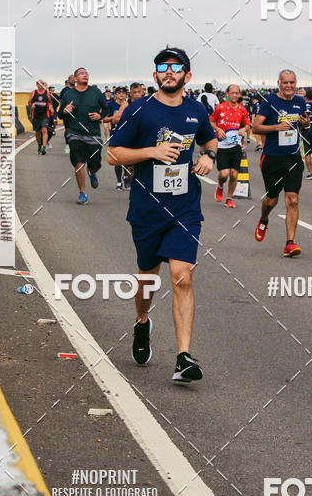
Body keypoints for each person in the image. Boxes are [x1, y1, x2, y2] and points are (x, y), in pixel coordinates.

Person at [107, 47, 217, 383]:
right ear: (155, 74)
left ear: (187, 75)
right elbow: (112, 154)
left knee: (183, 276)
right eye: (162, 67)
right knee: (148, 278)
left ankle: (183, 357)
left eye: (176, 67)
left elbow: (209, 142)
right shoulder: (139, 110)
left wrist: (209, 157)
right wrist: (151, 152)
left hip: (185, 208)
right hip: (147, 209)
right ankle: (142, 322)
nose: (169, 72)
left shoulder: (196, 110)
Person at [252, 70, 310, 256]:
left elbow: (304, 129)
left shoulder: (300, 101)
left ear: (296, 84)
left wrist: (306, 124)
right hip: (272, 158)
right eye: (285, 82)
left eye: (292, 82)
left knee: (292, 199)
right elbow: (256, 127)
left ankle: (290, 243)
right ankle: (264, 218)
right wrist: (276, 127)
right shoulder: (270, 101)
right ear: (279, 83)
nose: (289, 86)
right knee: (272, 199)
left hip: (293, 158)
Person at [58, 67, 110, 205]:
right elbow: (59, 115)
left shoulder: (96, 92)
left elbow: (106, 108)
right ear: (75, 79)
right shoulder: (68, 94)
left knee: (95, 164)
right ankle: (82, 193)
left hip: (93, 134)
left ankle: (92, 172)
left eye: (86, 73)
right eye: (81, 73)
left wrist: (100, 115)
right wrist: (65, 110)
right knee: (78, 163)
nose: (85, 75)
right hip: (75, 133)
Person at [209, 84, 251, 208]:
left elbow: (248, 124)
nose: (234, 95)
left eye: (237, 93)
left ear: (239, 95)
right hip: (222, 146)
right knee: (224, 174)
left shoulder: (242, 110)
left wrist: (244, 129)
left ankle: (229, 198)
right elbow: (210, 121)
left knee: (233, 174)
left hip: (236, 146)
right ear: (227, 94)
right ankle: (220, 186)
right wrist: (217, 129)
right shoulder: (220, 108)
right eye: (232, 93)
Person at [107, 87, 130, 189]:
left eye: (123, 92)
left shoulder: (129, 105)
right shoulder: (111, 105)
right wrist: (114, 118)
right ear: (115, 95)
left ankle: (125, 176)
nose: (121, 94)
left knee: (126, 159)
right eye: (119, 92)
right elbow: (104, 119)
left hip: (128, 133)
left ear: (126, 95)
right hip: (115, 133)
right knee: (117, 159)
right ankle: (118, 181)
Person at [28, 80, 52, 155]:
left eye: (42, 83)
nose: (41, 85)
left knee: (44, 130)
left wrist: (51, 107)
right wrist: (31, 105)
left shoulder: (47, 92)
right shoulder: (33, 93)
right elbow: (29, 102)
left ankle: (44, 148)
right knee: (37, 132)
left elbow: (49, 102)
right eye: (39, 84)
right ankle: (39, 144)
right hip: (36, 115)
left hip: (45, 114)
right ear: (37, 85)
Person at [59, 75, 76, 154]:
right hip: (67, 113)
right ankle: (67, 143)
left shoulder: (78, 90)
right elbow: (61, 100)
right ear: (69, 81)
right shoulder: (65, 90)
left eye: (74, 79)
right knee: (68, 130)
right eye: (71, 79)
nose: (73, 80)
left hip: (76, 113)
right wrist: (64, 108)